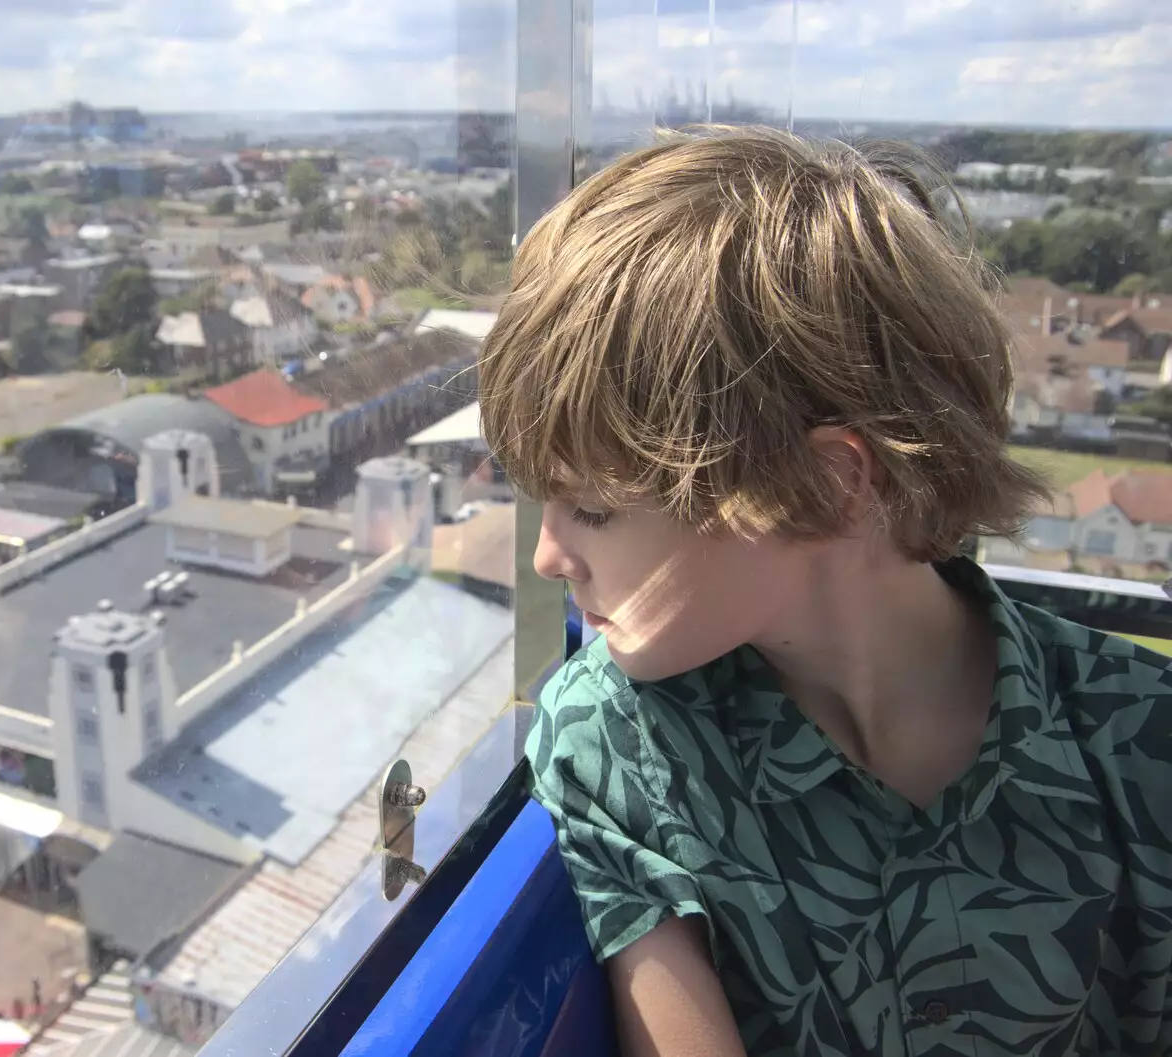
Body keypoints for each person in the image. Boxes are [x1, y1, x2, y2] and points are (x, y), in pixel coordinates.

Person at [478, 125, 1172, 1057]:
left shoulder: (1139, 738)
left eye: (596, 509)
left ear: (826, 487)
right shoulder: (621, 748)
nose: (548, 557)